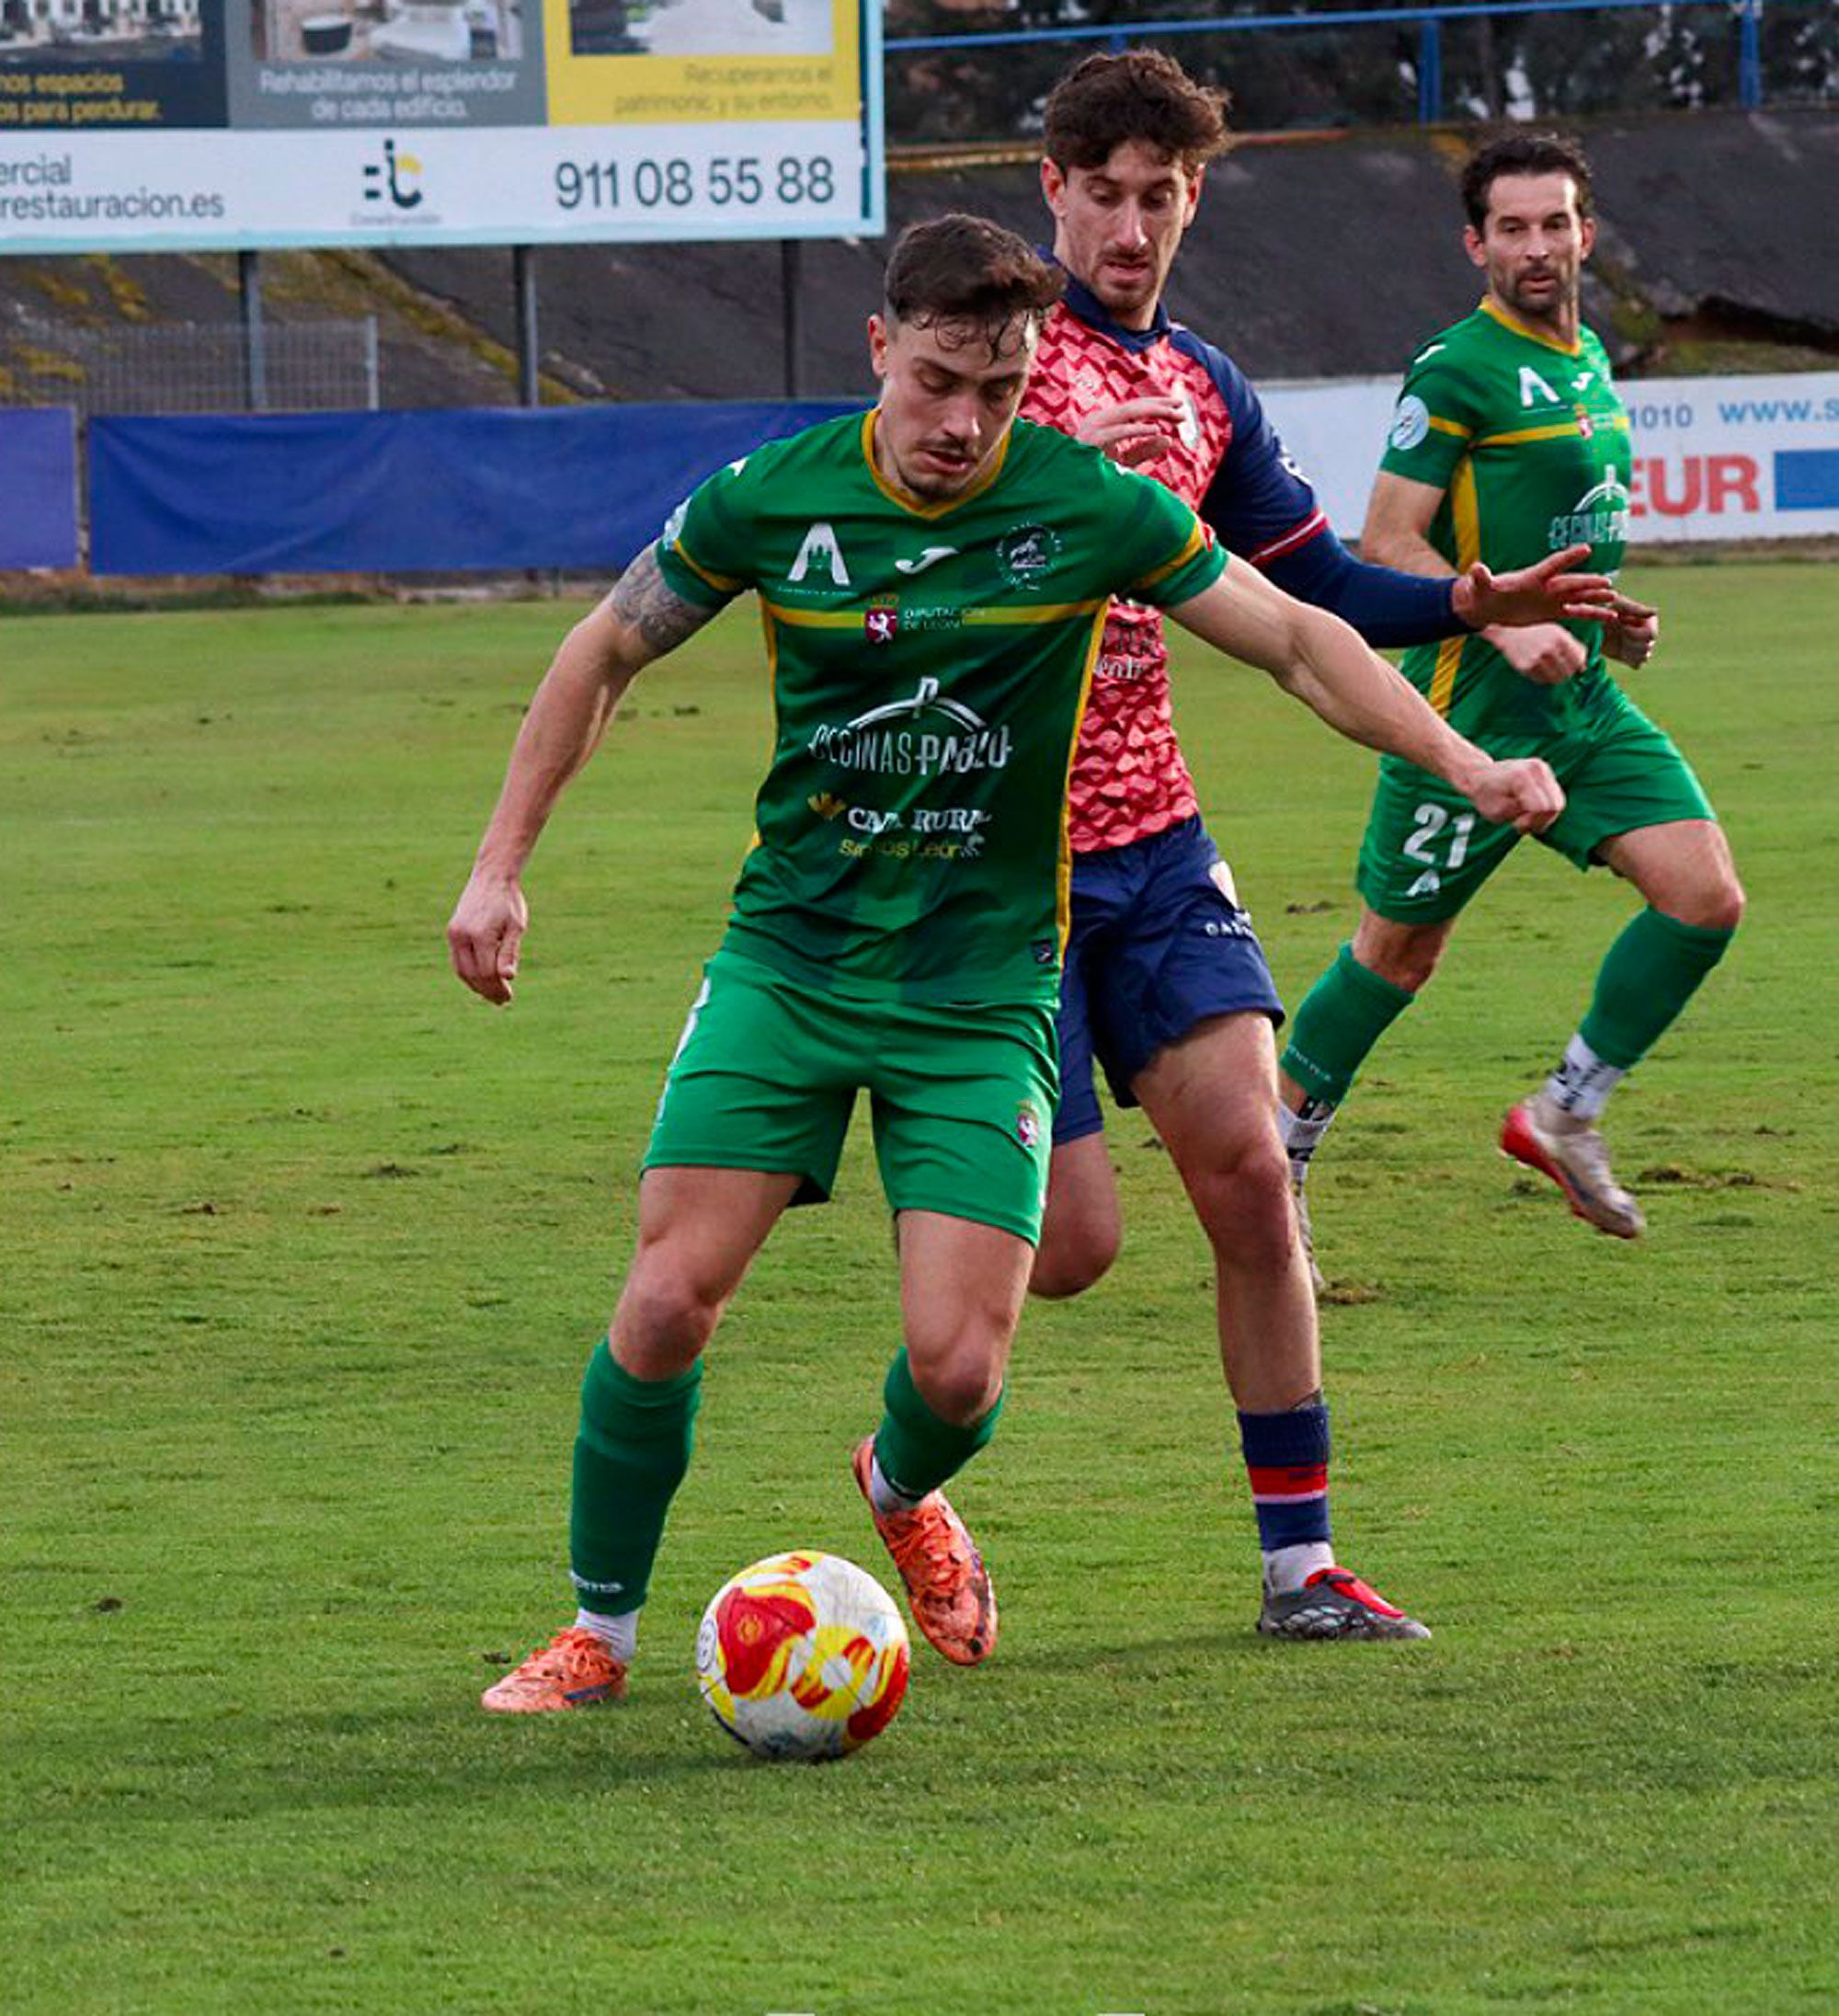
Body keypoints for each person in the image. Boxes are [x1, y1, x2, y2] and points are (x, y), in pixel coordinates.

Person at [447, 212, 1587, 1712]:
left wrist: (1461, 759)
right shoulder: (772, 498)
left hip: (982, 989)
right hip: (790, 961)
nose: (963, 422)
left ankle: (904, 1484)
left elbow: (1299, 641)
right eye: (936, 383)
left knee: (961, 1370)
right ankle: (600, 1631)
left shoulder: (1087, 507)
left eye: (997, 388)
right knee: (665, 1300)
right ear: (880, 350)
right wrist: (498, 863)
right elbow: (604, 650)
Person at [1017, 51, 1629, 1639]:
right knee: (1070, 1249)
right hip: (999, 869)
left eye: (1163, 197)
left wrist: (1468, 602)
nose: (1134, 228)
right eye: (1108, 196)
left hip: (1153, 841)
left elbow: (1315, 591)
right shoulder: (999, 367)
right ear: (1054, 193)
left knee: (1250, 1182)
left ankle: (1302, 1569)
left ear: (1197, 197)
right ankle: (909, 1460)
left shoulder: (1206, 387)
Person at [1277, 132, 1742, 1245]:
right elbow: (1386, 542)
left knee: (1703, 895)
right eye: (1511, 228)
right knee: (1396, 952)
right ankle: (1276, 1157)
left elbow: (1567, 539)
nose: (1535, 248)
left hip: (1578, 710)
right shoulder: (1456, 369)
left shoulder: (1586, 361)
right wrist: (1505, 620)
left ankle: (1561, 1113)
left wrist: (1603, 624)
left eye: (1554, 223)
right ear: (1474, 243)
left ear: (1585, 231)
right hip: (1462, 717)